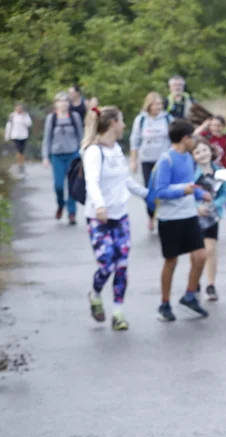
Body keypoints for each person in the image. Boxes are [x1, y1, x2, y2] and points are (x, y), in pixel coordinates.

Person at [80, 106, 148, 331]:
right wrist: (100, 205)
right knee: (107, 262)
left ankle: (118, 313)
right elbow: (91, 182)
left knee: (121, 265)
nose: (124, 125)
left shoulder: (117, 149)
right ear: (112, 124)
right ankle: (95, 294)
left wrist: (147, 194)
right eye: (122, 121)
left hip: (120, 216)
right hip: (99, 218)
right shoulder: (94, 151)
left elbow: (125, 179)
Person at [152, 119, 212, 322]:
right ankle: (164, 304)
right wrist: (183, 191)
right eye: (193, 137)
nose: (195, 140)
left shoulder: (188, 157)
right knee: (171, 261)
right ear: (185, 138)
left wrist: (200, 194)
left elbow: (190, 185)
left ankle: (189, 296)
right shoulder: (166, 160)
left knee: (201, 256)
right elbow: (160, 191)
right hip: (170, 219)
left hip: (189, 215)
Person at [192, 137, 226, 302]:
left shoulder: (220, 171)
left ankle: (210, 284)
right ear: (193, 156)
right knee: (196, 252)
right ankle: (194, 281)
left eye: (204, 150)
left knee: (210, 250)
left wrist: (213, 205)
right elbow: (186, 193)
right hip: (193, 217)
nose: (202, 154)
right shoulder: (190, 172)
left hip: (212, 216)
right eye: (197, 152)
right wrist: (196, 207)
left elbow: (225, 193)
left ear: (210, 150)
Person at [130, 92, 171, 232]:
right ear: (149, 105)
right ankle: (151, 215)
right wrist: (133, 160)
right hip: (147, 160)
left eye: (160, 104)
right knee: (149, 191)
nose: (159, 107)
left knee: (164, 189)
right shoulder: (141, 119)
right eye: (156, 104)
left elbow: (174, 137)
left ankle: (164, 216)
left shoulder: (167, 118)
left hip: (163, 160)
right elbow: (135, 140)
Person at [42, 91, 84, 224]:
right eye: (60, 101)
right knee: (58, 185)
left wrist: (84, 153)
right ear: (56, 104)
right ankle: (61, 204)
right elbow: (47, 138)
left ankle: (72, 212)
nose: (63, 104)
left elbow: (81, 136)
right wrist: (45, 156)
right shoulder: (52, 118)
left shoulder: (75, 117)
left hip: (73, 154)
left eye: (66, 101)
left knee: (72, 185)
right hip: (57, 156)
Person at [197, 114, 226, 235]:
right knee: (207, 196)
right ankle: (205, 221)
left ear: (223, 127)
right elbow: (194, 137)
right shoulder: (206, 136)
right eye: (213, 125)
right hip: (208, 171)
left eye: (219, 125)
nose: (216, 128)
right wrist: (203, 126)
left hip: (224, 170)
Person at [5, 102, 32, 175]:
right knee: (18, 150)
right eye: (18, 107)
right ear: (15, 108)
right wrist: (7, 135)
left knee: (22, 151)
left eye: (20, 108)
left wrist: (23, 117)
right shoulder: (12, 115)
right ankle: (19, 163)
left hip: (24, 135)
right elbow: (9, 125)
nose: (19, 109)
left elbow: (29, 124)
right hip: (15, 135)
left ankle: (21, 163)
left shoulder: (25, 115)